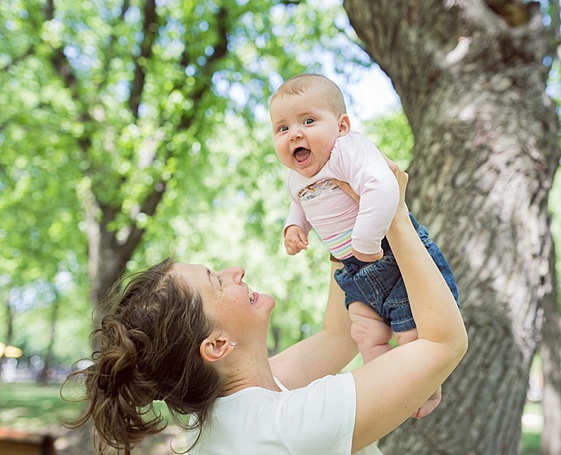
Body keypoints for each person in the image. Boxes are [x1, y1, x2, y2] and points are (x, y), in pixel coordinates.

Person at [64, 160, 467, 454]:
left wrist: (335, 217)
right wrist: (394, 215)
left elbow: (337, 338)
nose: (235, 271)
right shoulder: (284, 428)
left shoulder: (227, 410)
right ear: (217, 345)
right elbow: (442, 345)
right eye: (217, 282)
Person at [270, 73, 459, 417]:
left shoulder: (348, 150)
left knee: (412, 334)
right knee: (367, 337)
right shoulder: (295, 179)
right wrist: (294, 227)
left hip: (390, 256)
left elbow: (384, 188)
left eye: (308, 121)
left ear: (341, 125)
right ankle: (389, 393)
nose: (294, 133)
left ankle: (427, 391)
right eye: (282, 128)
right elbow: (299, 204)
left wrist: (366, 239)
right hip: (352, 271)